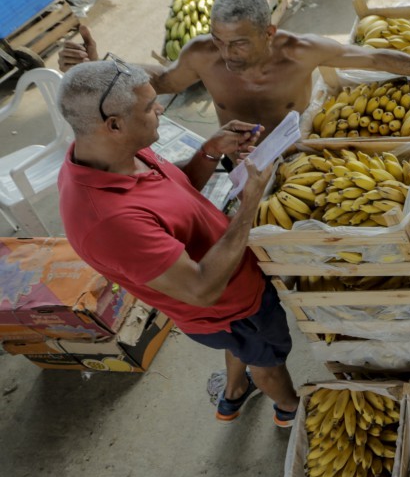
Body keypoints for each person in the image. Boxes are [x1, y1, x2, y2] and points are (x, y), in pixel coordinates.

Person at [57, 60, 298, 426]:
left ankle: (232, 393)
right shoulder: (109, 221)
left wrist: (210, 151)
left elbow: (175, 192)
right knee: (268, 360)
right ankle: (288, 408)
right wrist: (248, 206)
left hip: (231, 295)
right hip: (229, 306)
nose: (159, 109)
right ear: (114, 124)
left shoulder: (113, 151)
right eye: (150, 105)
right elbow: (201, 288)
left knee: (241, 346)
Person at [59, 0, 410, 136]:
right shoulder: (203, 54)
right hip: (235, 155)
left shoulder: (301, 50)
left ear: (269, 33)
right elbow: (165, 82)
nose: (228, 54)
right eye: (219, 40)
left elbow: (374, 57)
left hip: (296, 148)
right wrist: (101, 67)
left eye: (240, 43)